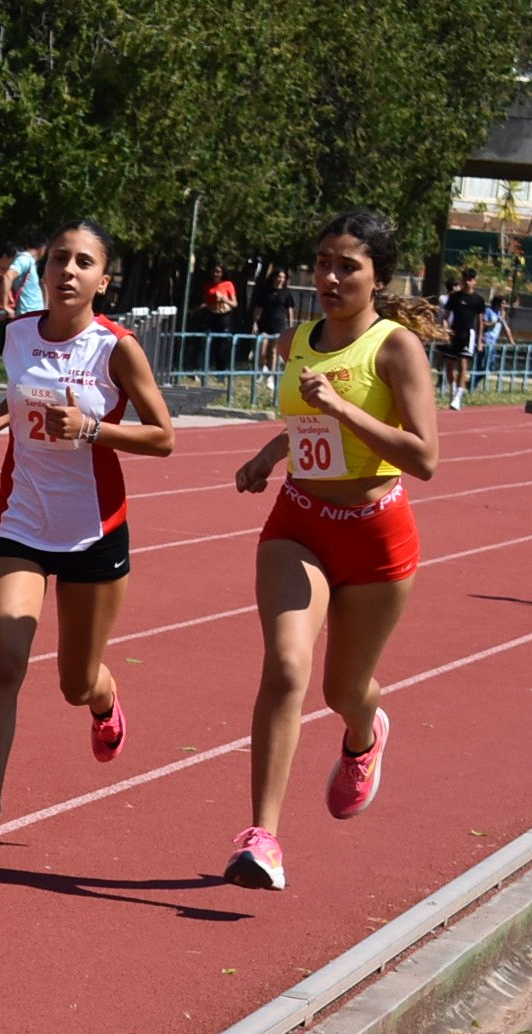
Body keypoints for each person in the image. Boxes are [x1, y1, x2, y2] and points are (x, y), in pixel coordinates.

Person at [0, 221, 176, 853]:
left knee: (75, 681)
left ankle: (103, 698)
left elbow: (164, 436)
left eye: (84, 262)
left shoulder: (116, 348)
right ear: (43, 271)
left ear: (103, 280)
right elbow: (18, 399)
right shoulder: (18, 332)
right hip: (21, 522)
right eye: (59, 259)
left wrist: (92, 428)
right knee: (4, 663)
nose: (68, 270)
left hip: (93, 531)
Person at [222, 208, 440, 892]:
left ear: (378, 277)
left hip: (376, 536)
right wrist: (270, 452)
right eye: (323, 263)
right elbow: (304, 423)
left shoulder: (396, 348)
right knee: (287, 665)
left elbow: (425, 457)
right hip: (299, 525)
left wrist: (344, 409)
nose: (331, 277)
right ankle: (262, 838)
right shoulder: (297, 340)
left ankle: (363, 733)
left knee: (343, 689)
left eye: (348, 266)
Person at [442, 268, 485, 409]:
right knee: (449, 365)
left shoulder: (478, 300)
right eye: (465, 279)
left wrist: (479, 341)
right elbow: (446, 316)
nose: (467, 282)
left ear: (474, 281)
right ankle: (453, 389)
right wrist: (446, 331)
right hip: (454, 333)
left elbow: (480, 321)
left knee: (463, 363)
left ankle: (458, 397)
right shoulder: (454, 297)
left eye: (470, 280)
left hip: (468, 334)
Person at [251, 265, 297, 393]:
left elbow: (290, 310)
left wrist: (291, 326)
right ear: (273, 277)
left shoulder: (286, 293)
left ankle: (271, 376)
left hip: (279, 325)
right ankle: (261, 370)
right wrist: (254, 323)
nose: (280, 279)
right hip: (265, 324)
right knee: (262, 350)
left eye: (283, 277)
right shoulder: (265, 291)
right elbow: (258, 308)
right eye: (279, 276)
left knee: (274, 351)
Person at [476, 292, 514, 389]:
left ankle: (473, 382)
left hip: (493, 343)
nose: (504, 305)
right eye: (503, 303)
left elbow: (506, 328)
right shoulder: (489, 311)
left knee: (491, 366)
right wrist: (495, 322)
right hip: (486, 341)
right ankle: (473, 383)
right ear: (497, 303)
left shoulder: (501, 314)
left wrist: (512, 341)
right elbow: (483, 324)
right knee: (482, 365)